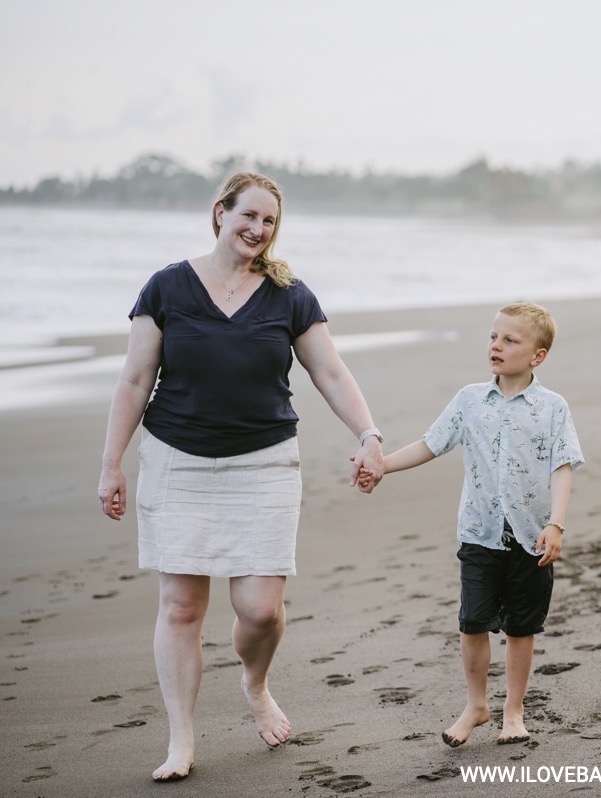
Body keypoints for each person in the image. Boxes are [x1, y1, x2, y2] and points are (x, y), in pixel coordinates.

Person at [97, 171, 385, 781]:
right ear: (220, 213)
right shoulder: (167, 287)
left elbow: (331, 373)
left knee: (260, 610)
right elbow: (134, 380)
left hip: (264, 462)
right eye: (248, 215)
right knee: (181, 608)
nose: (257, 228)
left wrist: (369, 435)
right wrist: (111, 463)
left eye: (269, 220)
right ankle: (181, 741)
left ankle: (255, 684)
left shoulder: (289, 294)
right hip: (177, 460)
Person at [358, 301, 583, 748]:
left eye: (510, 340)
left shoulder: (552, 408)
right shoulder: (470, 400)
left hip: (531, 537)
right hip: (479, 533)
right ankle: (476, 705)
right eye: (493, 336)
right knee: (473, 622)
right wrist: (383, 465)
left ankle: (513, 710)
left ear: (538, 356)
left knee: (521, 627)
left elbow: (562, 467)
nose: (496, 345)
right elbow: (430, 443)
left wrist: (556, 524)